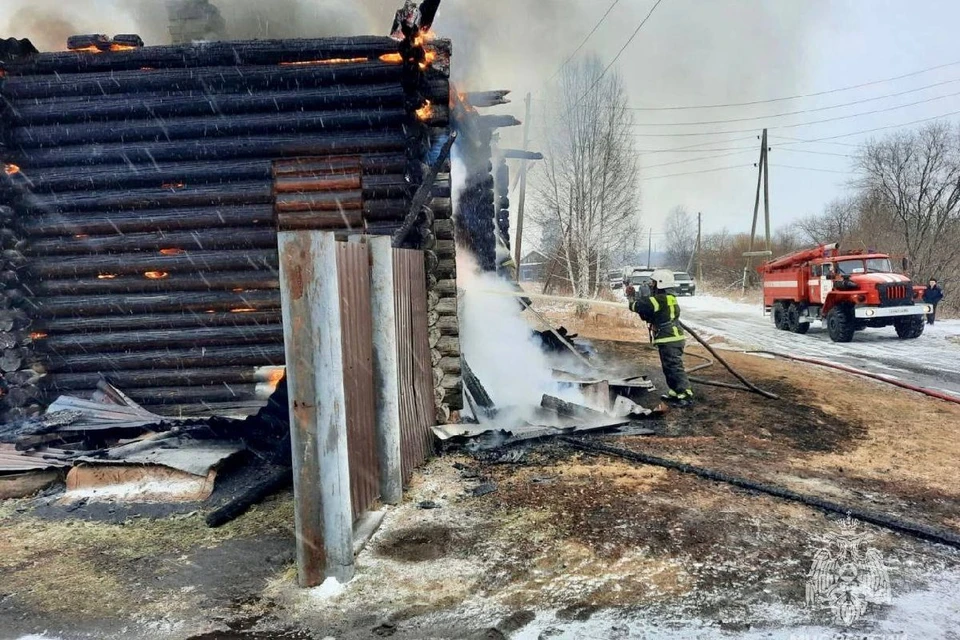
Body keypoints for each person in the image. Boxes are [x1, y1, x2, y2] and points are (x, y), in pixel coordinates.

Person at [626, 269, 693, 407]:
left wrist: (631, 297)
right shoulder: (667, 299)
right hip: (669, 338)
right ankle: (675, 392)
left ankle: (685, 394)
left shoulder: (661, 299)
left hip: (670, 339)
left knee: (674, 367)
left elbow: (638, 306)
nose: (651, 285)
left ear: (661, 284)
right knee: (668, 368)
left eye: (653, 283)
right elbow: (648, 313)